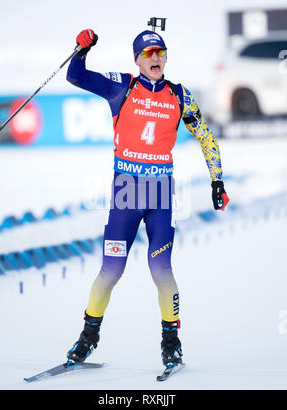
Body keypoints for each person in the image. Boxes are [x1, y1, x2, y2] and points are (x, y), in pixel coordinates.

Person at [65, 28, 229, 368]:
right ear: (136, 59)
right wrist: (82, 49)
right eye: (147, 53)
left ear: (166, 57)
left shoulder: (180, 95)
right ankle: (88, 337)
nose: (154, 58)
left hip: (159, 195)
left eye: (159, 52)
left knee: (161, 268)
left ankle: (171, 342)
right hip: (126, 193)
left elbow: (205, 136)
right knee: (110, 271)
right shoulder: (121, 86)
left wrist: (217, 180)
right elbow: (75, 75)